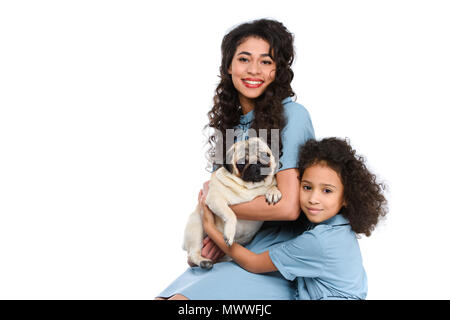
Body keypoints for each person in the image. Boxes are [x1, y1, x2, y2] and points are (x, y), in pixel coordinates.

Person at [156, 18, 315, 300]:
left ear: (278, 69)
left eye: (266, 61)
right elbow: (214, 195)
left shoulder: (294, 116)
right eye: (244, 59)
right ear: (229, 66)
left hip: (276, 254)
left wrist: (218, 212)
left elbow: (288, 207)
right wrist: (214, 237)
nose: (254, 70)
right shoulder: (230, 124)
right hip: (236, 245)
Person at [200, 138, 388, 299]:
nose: (314, 199)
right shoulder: (339, 227)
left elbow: (254, 263)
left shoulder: (318, 242)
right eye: (307, 187)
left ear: (347, 197)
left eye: (327, 191)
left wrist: (211, 229)